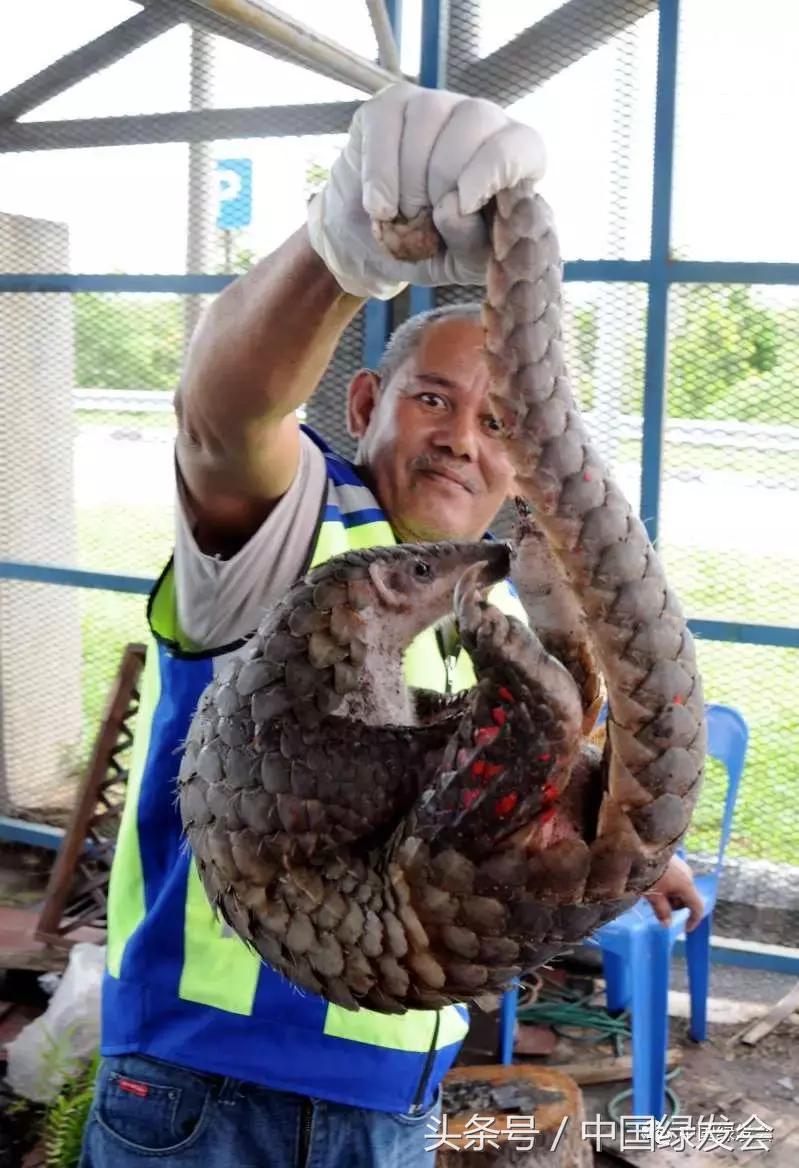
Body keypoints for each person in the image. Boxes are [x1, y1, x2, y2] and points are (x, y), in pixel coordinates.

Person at [79, 83, 703, 1168]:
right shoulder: (292, 529)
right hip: (209, 1091)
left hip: (396, 1099)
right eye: (434, 399)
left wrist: (612, 836)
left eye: (497, 419)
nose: (465, 437)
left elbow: (471, 804)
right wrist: (340, 248)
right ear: (363, 404)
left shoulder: (490, 606)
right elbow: (224, 416)